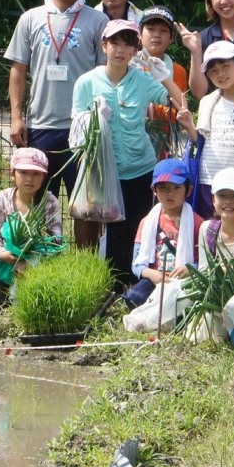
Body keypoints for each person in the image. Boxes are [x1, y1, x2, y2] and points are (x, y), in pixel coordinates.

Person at [71, 19, 180, 279]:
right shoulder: (87, 82)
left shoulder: (142, 81)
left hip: (140, 168)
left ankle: (134, 280)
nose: (120, 51)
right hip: (105, 171)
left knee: (137, 227)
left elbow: (178, 104)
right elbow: (75, 130)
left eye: (128, 45)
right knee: (109, 229)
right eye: (115, 43)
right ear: (104, 46)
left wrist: (164, 78)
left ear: (134, 50)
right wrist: (93, 120)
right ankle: (107, 280)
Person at [5, 0, 108, 198]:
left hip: (83, 127)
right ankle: (40, 240)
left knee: (85, 202)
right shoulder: (30, 18)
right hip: (40, 125)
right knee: (35, 200)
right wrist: (16, 118)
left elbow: (106, 75)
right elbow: (18, 70)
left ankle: (86, 242)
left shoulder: (98, 21)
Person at [0, 147, 63, 303]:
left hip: (38, 262)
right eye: (23, 172)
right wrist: (3, 254)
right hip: (6, 259)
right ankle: (6, 298)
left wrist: (29, 261)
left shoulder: (49, 202)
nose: (29, 179)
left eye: (36, 174)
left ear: (43, 177)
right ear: (13, 174)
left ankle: (27, 298)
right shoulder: (2, 199)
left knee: (52, 284)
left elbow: (55, 240)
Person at [181, 41, 234, 217]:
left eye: (226, 66)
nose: (220, 74)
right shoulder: (207, 102)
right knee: (207, 231)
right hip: (209, 180)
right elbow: (200, 143)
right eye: (213, 71)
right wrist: (190, 127)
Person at [124, 158, 204, 309]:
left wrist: (190, 269)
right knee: (134, 298)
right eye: (163, 188)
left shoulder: (198, 223)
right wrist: (151, 274)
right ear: (154, 190)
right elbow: (136, 263)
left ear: (189, 190)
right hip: (155, 279)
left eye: (176, 187)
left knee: (189, 303)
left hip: (183, 279)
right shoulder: (147, 222)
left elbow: (205, 262)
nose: (169, 193)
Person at [137, 6, 188, 94]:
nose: (156, 35)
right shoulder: (126, 64)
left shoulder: (178, 71)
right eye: (150, 29)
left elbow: (179, 105)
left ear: (171, 37)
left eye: (163, 30)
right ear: (139, 33)